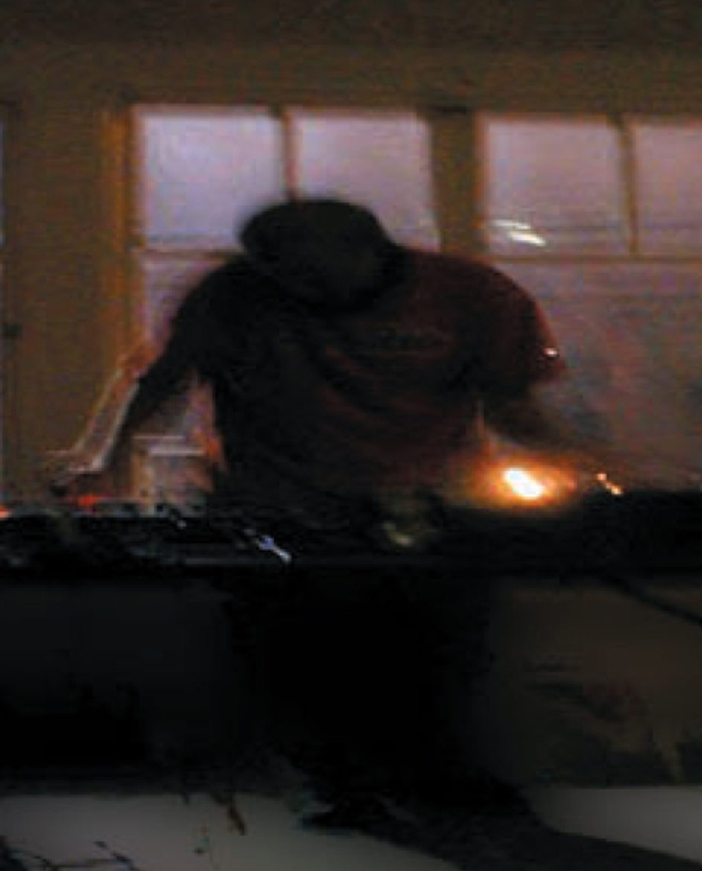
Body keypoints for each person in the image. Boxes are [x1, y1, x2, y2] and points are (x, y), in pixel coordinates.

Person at [57, 196, 592, 828]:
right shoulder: (234, 293)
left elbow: (510, 405)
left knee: (437, 655)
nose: (298, 291)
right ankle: (341, 784)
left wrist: (580, 461)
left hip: (425, 509)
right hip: (279, 512)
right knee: (306, 659)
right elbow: (164, 381)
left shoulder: (472, 296)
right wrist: (109, 458)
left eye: (311, 274)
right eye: (281, 276)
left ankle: (440, 782)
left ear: (369, 252)